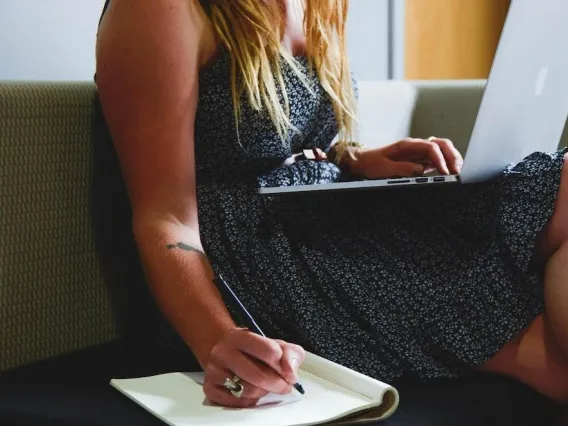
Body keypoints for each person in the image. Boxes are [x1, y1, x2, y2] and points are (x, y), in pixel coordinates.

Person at [94, 0, 568, 410]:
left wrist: (356, 161)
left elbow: (283, 140)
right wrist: (216, 339)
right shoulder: (162, 10)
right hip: (254, 259)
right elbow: (166, 218)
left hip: (322, 212)